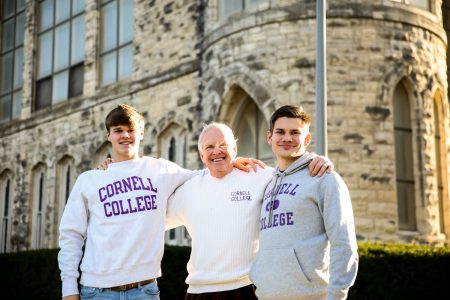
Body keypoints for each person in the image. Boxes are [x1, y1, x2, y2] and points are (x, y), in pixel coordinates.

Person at [58, 104, 260, 300]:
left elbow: (202, 175)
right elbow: (71, 235)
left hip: (144, 291)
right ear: (108, 135)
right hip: (96, 291)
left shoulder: (160, 170)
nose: (125, 136)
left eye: (131, 130)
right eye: (118, 130)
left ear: (142, 133)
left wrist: (231, 162)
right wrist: (69, 290)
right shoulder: (90, 180)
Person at [166, 122, 333, 300]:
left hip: (248, 288)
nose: (217, 151)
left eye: (223, 145)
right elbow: (150, 221)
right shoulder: (188, 190)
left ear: (235, 148)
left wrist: (315, 160)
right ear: (201, 155)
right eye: (209, 147)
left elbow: (293, 175)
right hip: (199, 290)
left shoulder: (259, 175)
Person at [250, 105, 358, 300]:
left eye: (295, 133)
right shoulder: (266, 182)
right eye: (280, 132)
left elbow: (343, 243)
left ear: (306, 139)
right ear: (269, 137)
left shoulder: (324, 178)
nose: (287, 138)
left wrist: (336, 296)